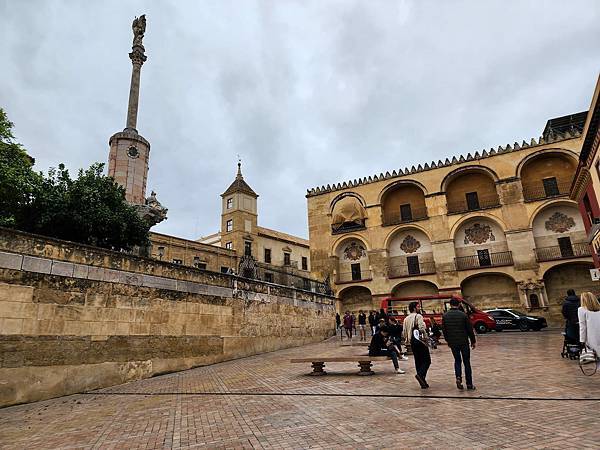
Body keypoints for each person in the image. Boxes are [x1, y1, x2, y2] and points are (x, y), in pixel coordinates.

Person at [442, 298, 477, 390]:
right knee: (466, 362)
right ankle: (469, 384)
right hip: (463, 342)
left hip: (453, 342)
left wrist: (448, 341)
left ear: (450, 305)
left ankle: (458, 377)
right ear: (458, 305)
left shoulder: (445, 316)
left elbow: (444, 331)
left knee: (457, 360)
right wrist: (473, 341)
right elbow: (469, 330)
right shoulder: (463, 315)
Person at [402, 302, 431, 388]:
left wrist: (408, 340)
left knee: (418, 361)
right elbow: (421, 328)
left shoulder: (406, 319)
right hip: (420, 342)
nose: (419, 308)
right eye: (418, 306)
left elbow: (404, 332)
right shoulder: (418, 316)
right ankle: (420, 375)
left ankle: (422, 381)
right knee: (427, 361)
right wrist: (425, 337)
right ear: (414, 308)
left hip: (412, 343)